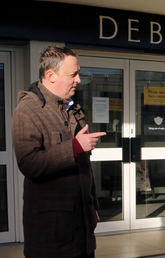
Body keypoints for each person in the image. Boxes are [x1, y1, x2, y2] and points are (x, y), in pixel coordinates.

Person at [11, 45, 106, 258]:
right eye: (73, 74)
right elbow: (29, 163)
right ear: (50, 75)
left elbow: (84, 169)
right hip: (51, 240)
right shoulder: (27, 110)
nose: (79, 80)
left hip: (82, 234)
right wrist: (74, 147)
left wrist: (93, 206)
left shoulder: (72, 108)